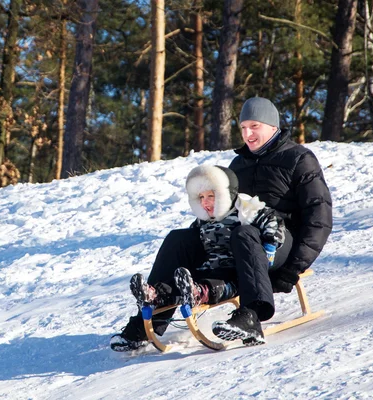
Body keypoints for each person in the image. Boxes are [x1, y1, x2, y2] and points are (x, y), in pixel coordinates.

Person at [110, 97, 332, 351]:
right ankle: (149, 320)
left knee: (244, 233)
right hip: (239, 240)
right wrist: (200, 236)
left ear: (273, 126)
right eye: (243, 127)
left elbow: (319, 218)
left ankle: (251, 315)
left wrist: (293, 268)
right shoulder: (239, 164)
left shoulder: (298, 159)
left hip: (280, 243)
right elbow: (223, 207)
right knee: (179, 239)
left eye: (254, 126)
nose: (247, 134)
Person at [110, 164, 286, 351]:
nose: (205, 202)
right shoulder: (203, 221)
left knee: (209, 287)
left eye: (211, 196)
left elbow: (273, 222)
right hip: (210, 269)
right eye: (201, 197)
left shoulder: (246, 210)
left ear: (226, 193)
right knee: (179, 255)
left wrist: (269, 246)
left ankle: (249, 318)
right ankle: (154, 298)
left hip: (239, 274)